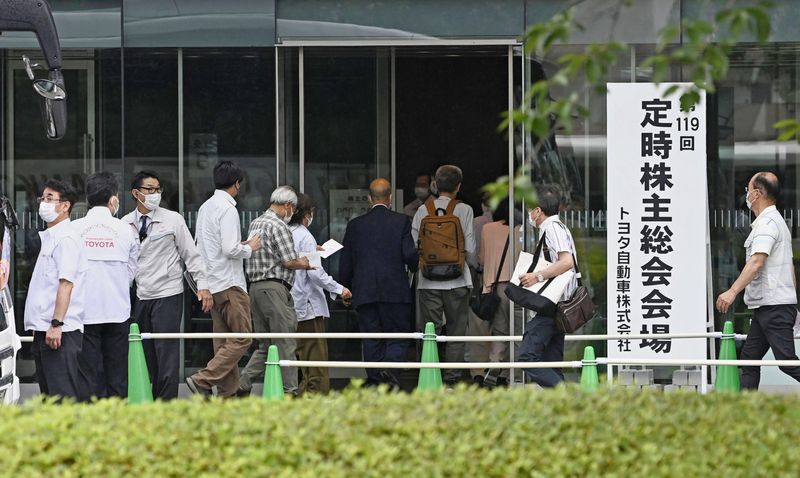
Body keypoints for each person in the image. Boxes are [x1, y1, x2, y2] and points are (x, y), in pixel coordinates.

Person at [122, 170, 213, 400]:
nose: (155, 194)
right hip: (140, 294)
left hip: (168, 293)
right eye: (149, 189)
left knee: (167, 354)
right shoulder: (124, 224)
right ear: (136, 193)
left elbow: (191, 255)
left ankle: (167, 404)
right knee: (147, 353)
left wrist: (202, 286)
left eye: (158, 189)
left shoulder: (173, 219)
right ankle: (149, 400)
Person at [716, 172, 800, 389]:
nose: (746, 194)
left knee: (787, 363)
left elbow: (756, 262)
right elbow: (789, 268)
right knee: (749, 359)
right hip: (769, 307)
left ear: (757, 193)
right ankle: (747, 410)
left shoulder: (767, 224)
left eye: (747, 190)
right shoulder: (775, 222)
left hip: (774, 307)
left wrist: (732, 292)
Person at [186, 161, 261, 397]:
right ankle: (203, 379)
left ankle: (227, 397)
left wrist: (204, 284)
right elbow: (229, 249)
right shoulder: (228, 209)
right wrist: (250, 248)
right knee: (242, 338)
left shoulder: (205, 207)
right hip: (230, 283)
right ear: (237, 184)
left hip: (214, 284)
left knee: (223, 345)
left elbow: (203, 247)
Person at [340, 178, 418, 387]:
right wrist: (416, 265)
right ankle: (390, 370)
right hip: (395, 291)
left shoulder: (355, 225)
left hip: (364, 292)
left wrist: (344, 288)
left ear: (369, 199)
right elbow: (409, 254)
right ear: (390, 198)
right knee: (398, 335)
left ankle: (375, 379)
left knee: (371, 336)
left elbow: (346, 262)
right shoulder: (401, 221)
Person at [239, 186, 313, 397]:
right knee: (285, 341)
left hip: (255, 288)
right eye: (292, 209)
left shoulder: (256, 222)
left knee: (266, 344)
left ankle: (242, 384)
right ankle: (289, 391)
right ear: (288, 206)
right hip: (275, 290)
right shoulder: (279, 226)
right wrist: (306, 262)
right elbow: (289, 262)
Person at [72, 172, 139, 398]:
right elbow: (132, 272)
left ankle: (91, 425)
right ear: (113, 199)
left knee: (89, 378)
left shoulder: (74, 230)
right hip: (117, 312)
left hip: (84, 314)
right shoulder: (127, 230)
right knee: (118, 377)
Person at [411, 165, 476, 385]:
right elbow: (472, 248)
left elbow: (414, 246)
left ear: (435, 185)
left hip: (428, 282)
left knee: (430, 332)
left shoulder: (422, 210)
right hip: (458, 279)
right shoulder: (465, 209)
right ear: (458, 187)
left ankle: (431, 377)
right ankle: (451, 380)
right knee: (457, 333)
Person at [24, 180, 87, 400]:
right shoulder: (50, 238)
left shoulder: (66, 239)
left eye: (50, 198)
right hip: (46, 330)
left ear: (65, 206)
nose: (44, 203)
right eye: (42, 198)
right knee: (49, 396)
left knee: (61, 396)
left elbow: (66, 284)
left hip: (60, 331)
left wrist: (56, 323)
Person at [288, 193, 351, 394]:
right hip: (308, 305)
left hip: (291, 303)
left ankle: (299, 394)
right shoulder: (305, 236)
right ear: (307, 214)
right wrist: (340, 289)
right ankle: (315, 398)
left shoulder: (284, 232)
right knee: (315, 360)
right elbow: (316, 274)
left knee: (298, 355)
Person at [517, 184, 577, 388]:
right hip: (557, 305)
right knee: (552, 361)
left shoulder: (552, 228)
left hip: (552, 305)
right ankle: (564, 408)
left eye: (529, 210)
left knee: (527, 357)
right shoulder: (556, 228)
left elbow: (566, 261)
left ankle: (567, 394)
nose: (528, 214)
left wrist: (537, 276)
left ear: (537, 211)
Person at [469, 200, 516, 387]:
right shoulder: (519, 230)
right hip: (514, 287)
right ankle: (504, 372)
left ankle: (487, 368)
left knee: (492, 331)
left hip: (490, 286)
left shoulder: (487, 229)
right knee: (513, 331)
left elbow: (480, 259)